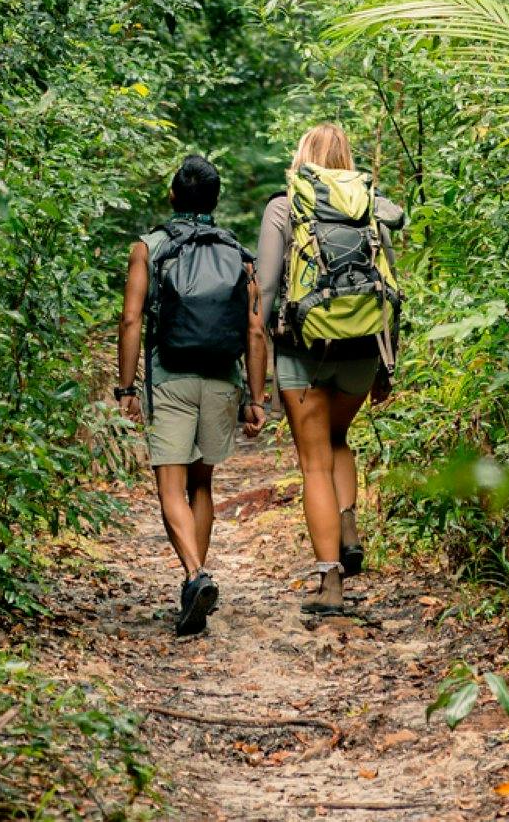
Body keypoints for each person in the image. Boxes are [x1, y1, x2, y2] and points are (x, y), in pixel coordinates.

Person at [256, 123, 405, 615]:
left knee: (314, 462)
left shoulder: (286, 207)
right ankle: (348, 523)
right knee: (339, 439)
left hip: (304, 350)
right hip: (363, 348)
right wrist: (388, 365)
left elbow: (268, 288)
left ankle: (330, 584)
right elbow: (390, 285)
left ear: (303, 155)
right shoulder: (369, 204)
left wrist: (258, 354)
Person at [116, 154, 267, 637]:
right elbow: (255, 329)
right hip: (222, 379)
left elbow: (131, 319)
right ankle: (195, 583)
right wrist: (256, 398)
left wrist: (126, 387)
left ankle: (194, 575)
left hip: (170, 377)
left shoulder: (150, 247)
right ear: (216, 200)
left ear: (173, 196)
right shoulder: (238, 253)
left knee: (169, 488)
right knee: (202, 486)